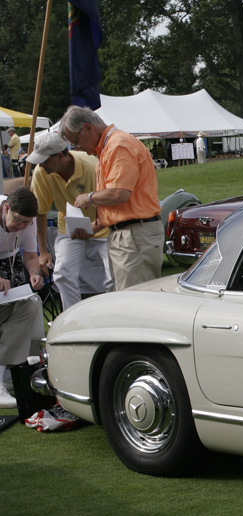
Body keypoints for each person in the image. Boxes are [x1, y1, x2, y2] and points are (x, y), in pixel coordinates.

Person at [59, 105, 163, 290]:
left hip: (134, 235)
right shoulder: (109, 147)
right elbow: (120, 203)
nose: (78, 148)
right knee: (127, 300)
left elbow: (119, 193)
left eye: (76, 141)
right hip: (128, 234)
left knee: (134, 303)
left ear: (88, 128)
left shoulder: (118, 145)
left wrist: (89, 197)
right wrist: (95, 227)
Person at [28, 131, 112, 310]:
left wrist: (94, 228)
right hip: (69, 227)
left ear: (60, 155)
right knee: (62, 275)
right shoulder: (41, 173)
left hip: (106, 226)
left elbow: (113, 204)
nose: (40, 165)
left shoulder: (92, 166)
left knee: (114, 277)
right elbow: (40, 212)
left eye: (44, 160)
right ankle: (73, 323)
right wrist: (43, 251)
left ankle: (114, 318)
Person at [0, 187, 45, 409]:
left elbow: (29, 255)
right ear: (6, 208)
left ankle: (8, 371)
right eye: (18, 220)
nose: (21, 227)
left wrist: (34, 273)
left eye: (26, 223)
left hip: (10, 259)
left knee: (27, 306)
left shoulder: (28, 221)